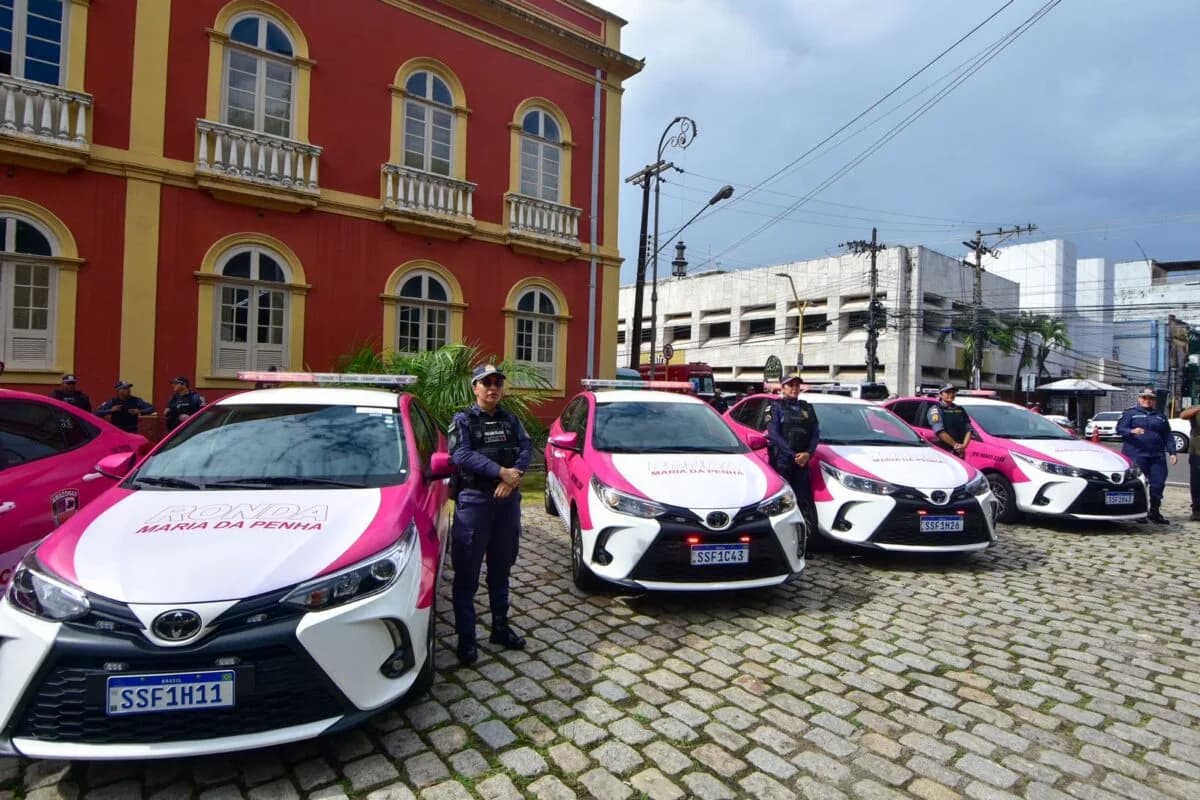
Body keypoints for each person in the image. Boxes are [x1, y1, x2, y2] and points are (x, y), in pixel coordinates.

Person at [448, 364, 532, 667]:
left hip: (506, 503)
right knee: (466, 575)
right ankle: (467, 639)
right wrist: (500, 472)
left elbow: (526, 447)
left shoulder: (511, 419)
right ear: (475, 388)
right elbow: (461, 455)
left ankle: (500, 628)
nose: (493, 388)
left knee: (501, 568)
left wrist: (514, 476)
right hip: (475, 502)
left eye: (497, 383)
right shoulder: (463, 420)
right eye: (486, 383)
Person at [1118, 388, 1177, 525]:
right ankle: (1139, 512)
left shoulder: (1160, 416)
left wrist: (1173, 452)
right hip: (1136, 454)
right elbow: (1120, 429)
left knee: (1158, 483)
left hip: (1157, 455)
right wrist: (1132, 431)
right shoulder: (1130, 413)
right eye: (1144, 398)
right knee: (1139, 483)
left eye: (1150, 398)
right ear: (1139, 399)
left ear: (1154, 400)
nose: (1147, 401)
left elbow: (1167, 435)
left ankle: (1154, 512)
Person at [765, 373, 819, 519]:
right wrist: (794, 455)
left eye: (797, 385)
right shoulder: (775, 407)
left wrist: (808, 454)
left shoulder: (807, 408)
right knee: (783, 500)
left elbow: (815, 433)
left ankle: (803, 528)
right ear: (783, 388)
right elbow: (774, 434)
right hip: (783, 461)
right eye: (791, 385)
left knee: (802, 499)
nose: (795, 388)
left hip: (802, 461)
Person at [930, 383, 972, 457]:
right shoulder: (936, 409)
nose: (951, 394)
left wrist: (963, 446)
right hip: (944, 450)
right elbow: (939, 431)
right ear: (940, 395)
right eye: (947, 392)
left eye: (953, 392)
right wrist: (955, 445)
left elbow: (968, 429)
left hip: (960, 450)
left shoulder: (960, 409)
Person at [1180, 402, 1200, 521]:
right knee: (1197, 483)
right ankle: (1197, 511)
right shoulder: (1196, 408)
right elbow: (1183, 415)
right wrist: (1197, 409)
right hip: (1197, 452)